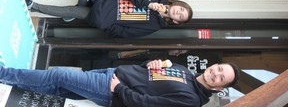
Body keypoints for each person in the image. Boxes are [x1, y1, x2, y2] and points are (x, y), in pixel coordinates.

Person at [0, 59, 240, 107]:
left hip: (112, 90)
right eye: (219, 69)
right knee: (59, 88)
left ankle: (4, 73)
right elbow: (147, 74)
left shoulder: (191, 101)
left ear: (219, 87)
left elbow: (149, 104)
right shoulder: (183, 71)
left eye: (221, 78)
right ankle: (9, 84)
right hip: (113, 73)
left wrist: (119, 89)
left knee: (59, 76)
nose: (215, 74)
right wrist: (151, 63)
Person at [22, 0, 193, 37]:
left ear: (176, 21)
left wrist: (106, 24)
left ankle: (32, 5)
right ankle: (78, 8)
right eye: (181, 9)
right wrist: (148, 3)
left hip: (103, 16)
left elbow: (126, 32)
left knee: (74, 12)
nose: (178, 12)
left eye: (181, 16)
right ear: (178, 4)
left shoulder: (155, 26)